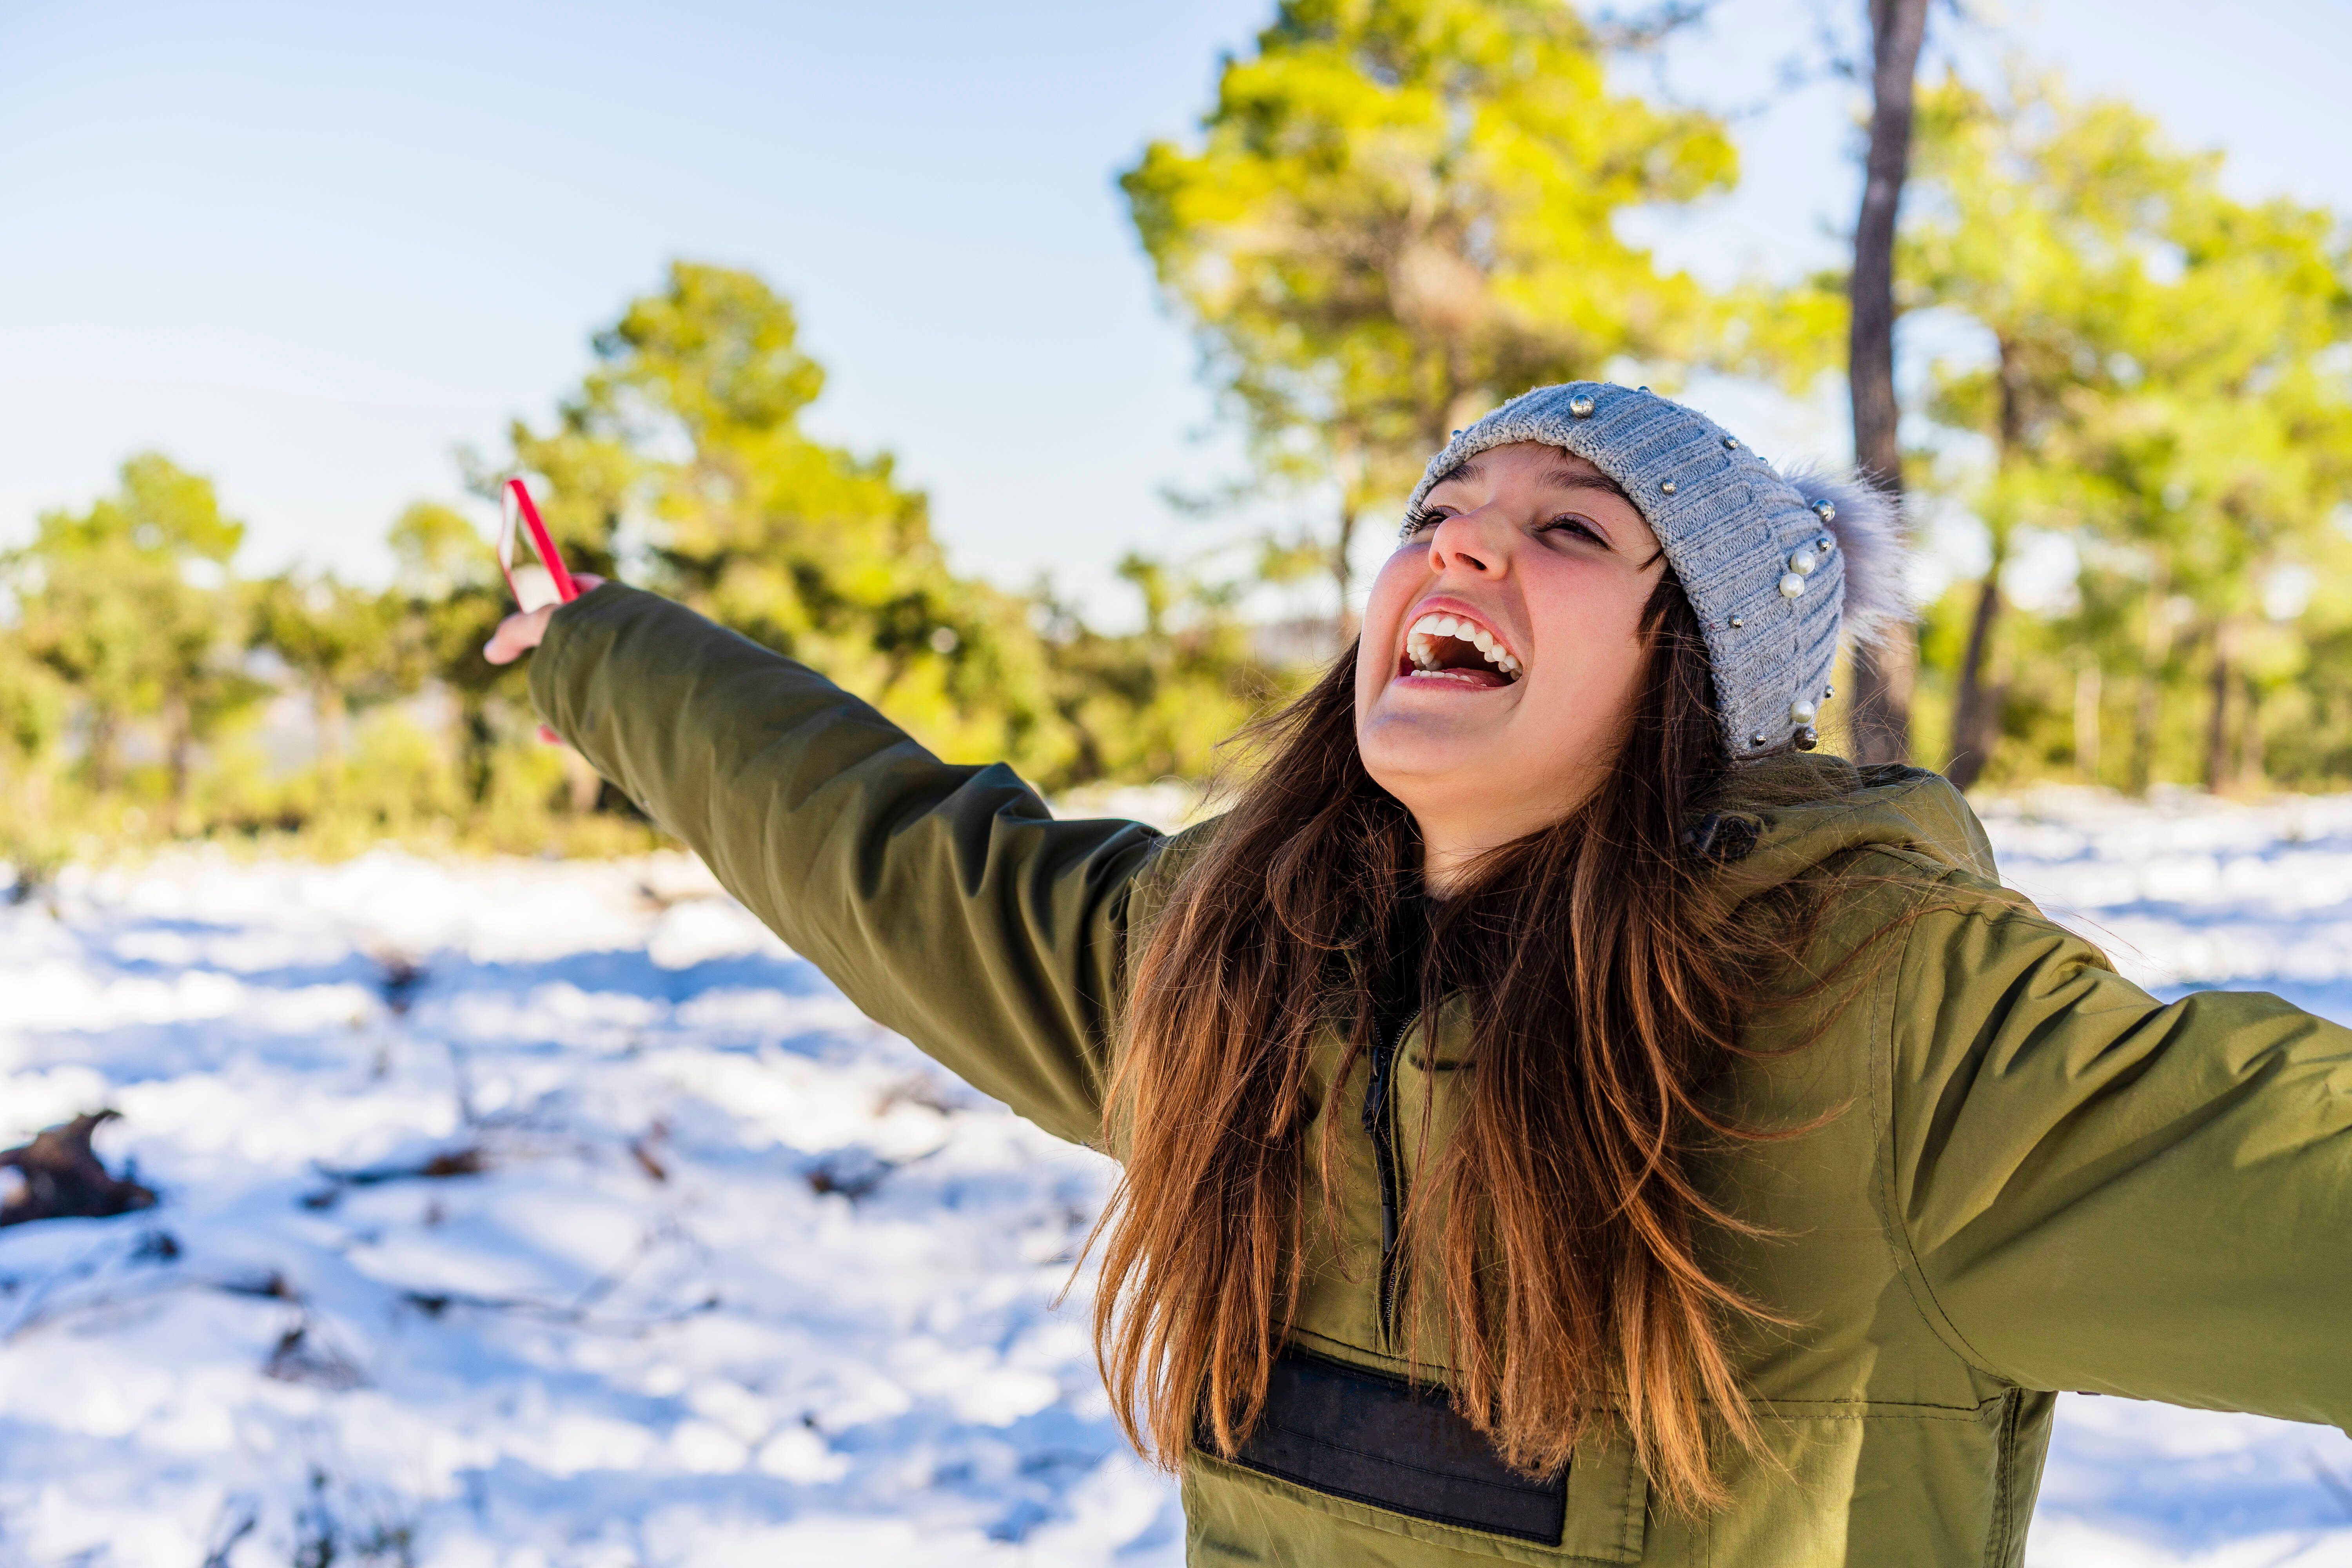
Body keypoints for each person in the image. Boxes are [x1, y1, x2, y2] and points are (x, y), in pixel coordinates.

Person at [486, 381, 2352, 1566]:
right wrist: (598, 650)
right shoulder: (1225, 969)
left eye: (1567, 530)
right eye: (1441, 514)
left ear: (1692, 676)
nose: (1461, 539)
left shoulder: (1891, 1027)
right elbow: (889, 855)